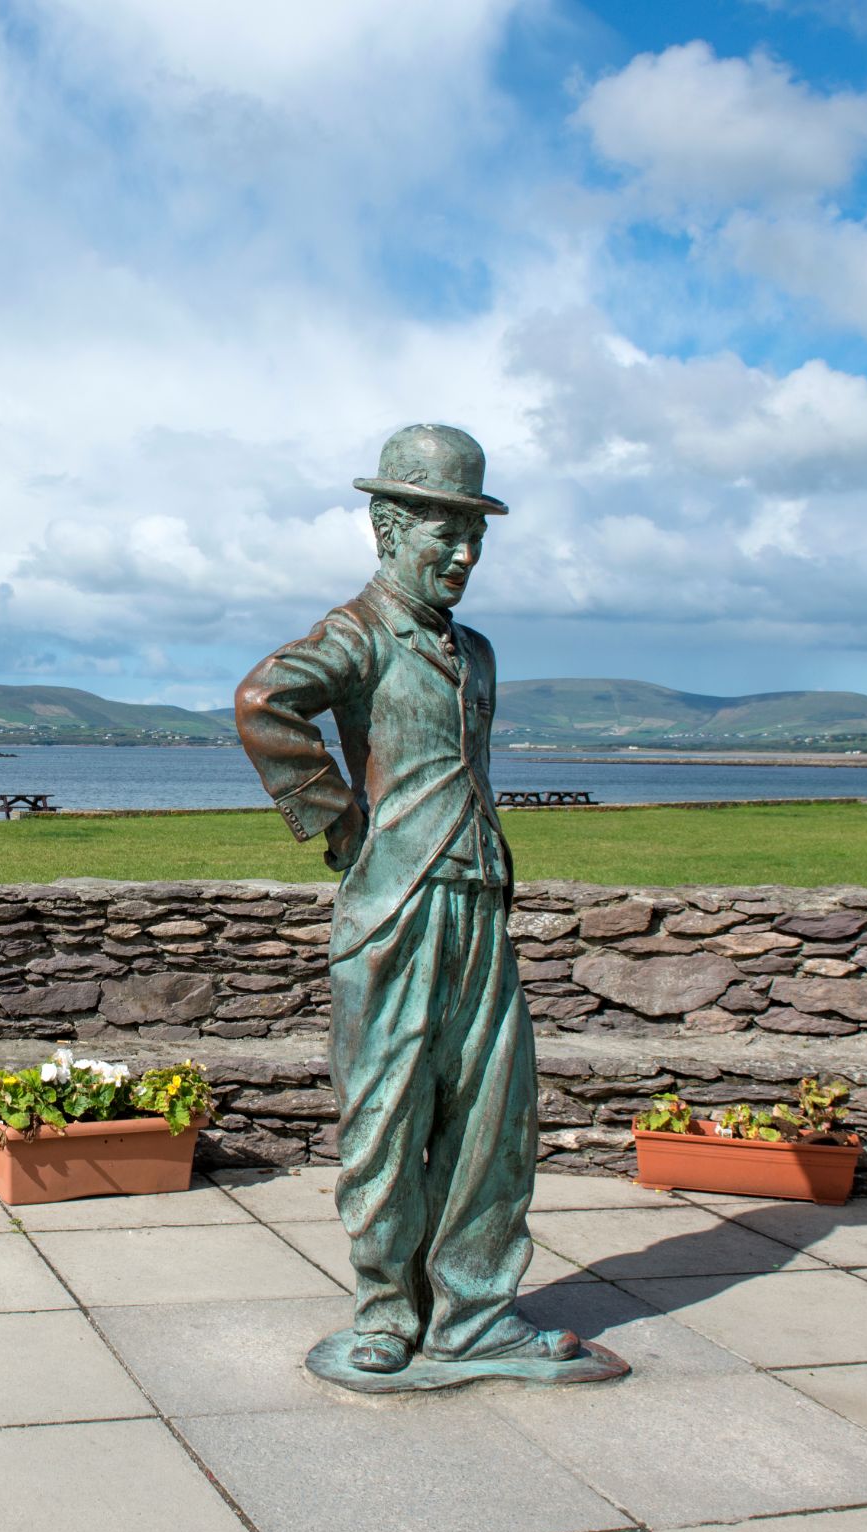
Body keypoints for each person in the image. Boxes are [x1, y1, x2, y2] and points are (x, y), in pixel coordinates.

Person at [235, 423, 608, 1385]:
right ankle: (385, 1314)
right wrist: (344, 827)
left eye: (474, 533)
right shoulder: (359, 633)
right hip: (399, 909)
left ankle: (475, 1315)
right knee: (387, 1115)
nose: (464, 553)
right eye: (444, 530)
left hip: (480, 901)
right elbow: (264, 701)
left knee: (494, 1115)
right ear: (388, 526)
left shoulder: (475, 653)